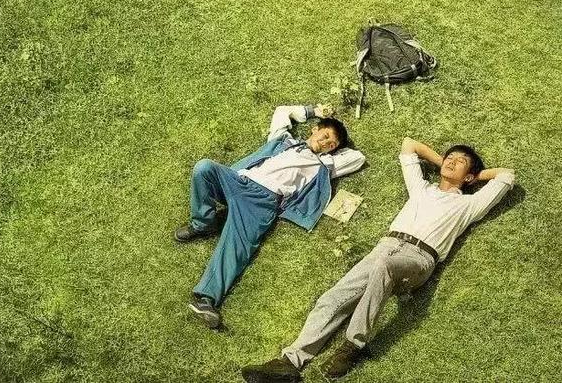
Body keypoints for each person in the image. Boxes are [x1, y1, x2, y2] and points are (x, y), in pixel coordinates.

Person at [241, 137, 515, 382]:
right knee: (333, 298)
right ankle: (290, 362)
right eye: (450, 157)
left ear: (469, 176)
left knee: (385, 267)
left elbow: (506, 175)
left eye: (460, 161)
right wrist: (445, 162)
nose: (452, 161)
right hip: (384, 247)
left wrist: (476, 176)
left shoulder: (469, 205)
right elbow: (409, 145)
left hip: (419, 259)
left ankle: (353, 346)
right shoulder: (421, 188)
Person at [175, 104, 366, 329]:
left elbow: (358, 158)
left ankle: (206, 299)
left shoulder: (325, 164)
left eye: (331, 144)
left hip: (262, 203)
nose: (325, 143)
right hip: (238, 181)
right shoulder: (283, 140)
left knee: (237, 246)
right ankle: (202, 224)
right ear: (314, 129)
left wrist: (333, 150)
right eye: (324, 136)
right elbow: (282, 112)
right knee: (204, 167)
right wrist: (315, 111)